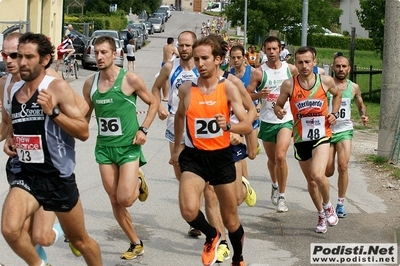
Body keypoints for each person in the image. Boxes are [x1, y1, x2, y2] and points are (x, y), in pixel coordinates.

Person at [1, 32, 102, 266]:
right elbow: (18, 125)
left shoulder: (56, 87)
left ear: (44, 60)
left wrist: (54, 112)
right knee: (10, 229)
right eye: (19, 56)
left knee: (81, 241)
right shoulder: (14, 91)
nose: (21, 62)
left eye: (29, 57)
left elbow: (83, 131)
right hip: (26, 174)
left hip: (57, 177)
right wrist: (12, 138)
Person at [170, 35, 253, 266]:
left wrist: (230, 126)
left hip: (221, 157)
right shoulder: (187, 89)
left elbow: (246, 124)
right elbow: (178, 117)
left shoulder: (227, 88)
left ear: (218, 59)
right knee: (188, 210)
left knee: (231, 218)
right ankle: (212, 235)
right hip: (195, 157)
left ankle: (238, 258)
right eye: (196, 59)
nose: (200, 64)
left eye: (205, 58)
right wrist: (177, 149)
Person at [82, 35, 158, 260]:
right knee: (114, 199)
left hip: (128, 147)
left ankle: (137, 179)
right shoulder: (90, 83)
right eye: (96, 53)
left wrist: (143, 129)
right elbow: (84, 116)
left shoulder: (130, 80)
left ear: (115, 54)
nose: (99, 57)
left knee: (125, 198)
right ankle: (135, 242)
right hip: (104, 149)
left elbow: (153, 102)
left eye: (104, 52)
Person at [274, 46, 342, 233]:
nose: (304, 66)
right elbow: (279, 105)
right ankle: (321, 214)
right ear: (295, 63)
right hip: (301, 138)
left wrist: (334, 113)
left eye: (307, 62)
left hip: (322, 135)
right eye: (300, 62)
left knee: (318, 175)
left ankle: (328, 206)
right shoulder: (289, 84)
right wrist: (279, 111)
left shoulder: (325, 81)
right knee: (311, 182)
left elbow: (338, 95)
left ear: (314, 62)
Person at [151, 30, 201, 237]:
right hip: (175, 124)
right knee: (181, 173)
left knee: (200, 175)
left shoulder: (202, 68)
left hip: (199, 126)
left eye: (188, 45)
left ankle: (196, 219)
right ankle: (194, 213)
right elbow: (154, 88)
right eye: (181, 45)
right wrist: (160, 107)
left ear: (194, 46)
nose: (184, 49)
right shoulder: (170, 68)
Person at [247, 36, 298, 212]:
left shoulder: (290, 69)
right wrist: (259, 94)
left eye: (274, 49)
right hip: (267, 120)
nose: (271, 52)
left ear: (280, 50)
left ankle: (282, 197)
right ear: (264, 50)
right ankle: (274, 185)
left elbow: (300, 88)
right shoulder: (259, 72)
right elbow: (246, 95)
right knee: (272, 160)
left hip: (286, 119)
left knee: (281, 156)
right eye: (268, 49)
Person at [325, 55, 369, 218]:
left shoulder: (354, 87)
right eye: (338, 66)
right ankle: (326, 202)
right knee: (328, 171)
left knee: (343, 166)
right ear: (333, 67)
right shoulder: (326, 84)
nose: (341, 69)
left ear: (349, 69)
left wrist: (363, 115)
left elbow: (360, 104)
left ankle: (341, 204)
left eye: (344, 66)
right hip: (327, 131)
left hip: (344, 130)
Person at [161, 37, 179, 101]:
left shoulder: (164, 47)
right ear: (172, 42)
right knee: (167, 81)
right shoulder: (172, 48)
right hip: (168, 64)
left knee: (163, 80)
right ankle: (166, 96)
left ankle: (164, 96)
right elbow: (178, 55)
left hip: (163, 63)